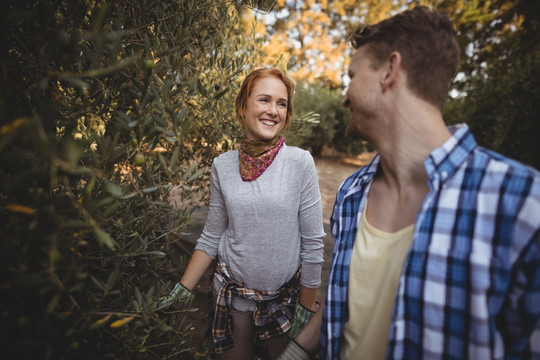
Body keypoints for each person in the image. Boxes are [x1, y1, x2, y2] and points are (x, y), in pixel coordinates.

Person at [278, 6, 540, 360]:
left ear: (390, 70)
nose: (344, 96)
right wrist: (296, 350)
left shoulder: (521, 203)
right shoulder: (352, 194)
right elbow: (353, 303)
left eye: (352, 75)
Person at [154, 67, 326, 360]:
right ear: (243, 106)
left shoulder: (300, 162)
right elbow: (212, 234)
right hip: (232, 296)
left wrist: (306, 306)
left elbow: (312, 242)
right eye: (264, 100)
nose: (273, 111)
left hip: (284, 301)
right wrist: (183, 288)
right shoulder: (222, 165)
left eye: (281, 103)